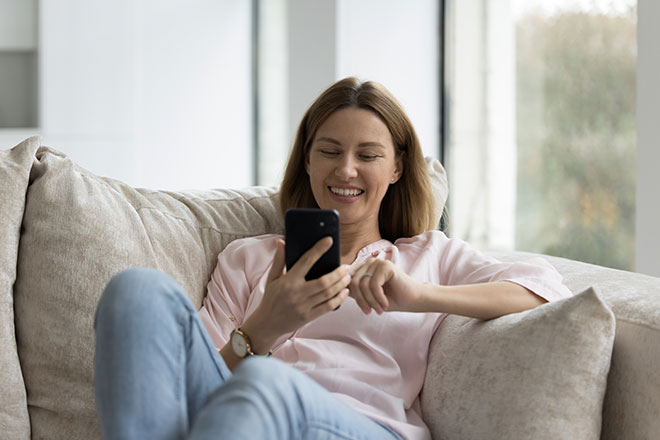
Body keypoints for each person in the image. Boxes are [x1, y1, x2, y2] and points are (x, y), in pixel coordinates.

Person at [94, 77, 572, 440]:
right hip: (242, 418)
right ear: (307, 159)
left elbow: (544, 288)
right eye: (329, 151)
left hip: (360, 426)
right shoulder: (248, 259)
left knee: (265, 380)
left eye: (368, 155)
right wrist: (263, 327)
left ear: (397, 168)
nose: (346, 169)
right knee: (136, 290)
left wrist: (417, 295)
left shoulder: (429, 256)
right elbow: (198, 386)